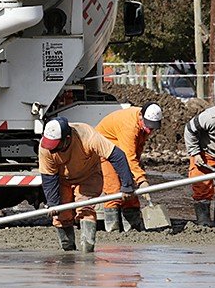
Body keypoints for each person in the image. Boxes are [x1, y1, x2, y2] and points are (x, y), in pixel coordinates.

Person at [39, 116, 136, 253]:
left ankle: (87, 251)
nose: (52, 150)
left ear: (67, 139)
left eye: (56, 145)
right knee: (61, 214)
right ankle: (68, 251)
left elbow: (117, 155)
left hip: (88, 176)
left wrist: (127, 185)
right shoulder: (45, 147)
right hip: (62, 179)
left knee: (85, 209)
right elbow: (48, 177)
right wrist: (53, 203)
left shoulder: (88, 136)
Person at [96, 103, 162, 232]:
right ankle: (113, 229)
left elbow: (136, 149)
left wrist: (136, 170)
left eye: (152, 127)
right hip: (105, 150)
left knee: (130, 188)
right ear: (141, 116)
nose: (150, 130)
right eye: (148, 126)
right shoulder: (129, 126)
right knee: (114, 189)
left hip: (121, 151)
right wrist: (141, 180)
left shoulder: (143, 124)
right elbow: (128, 156)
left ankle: (132, 227)